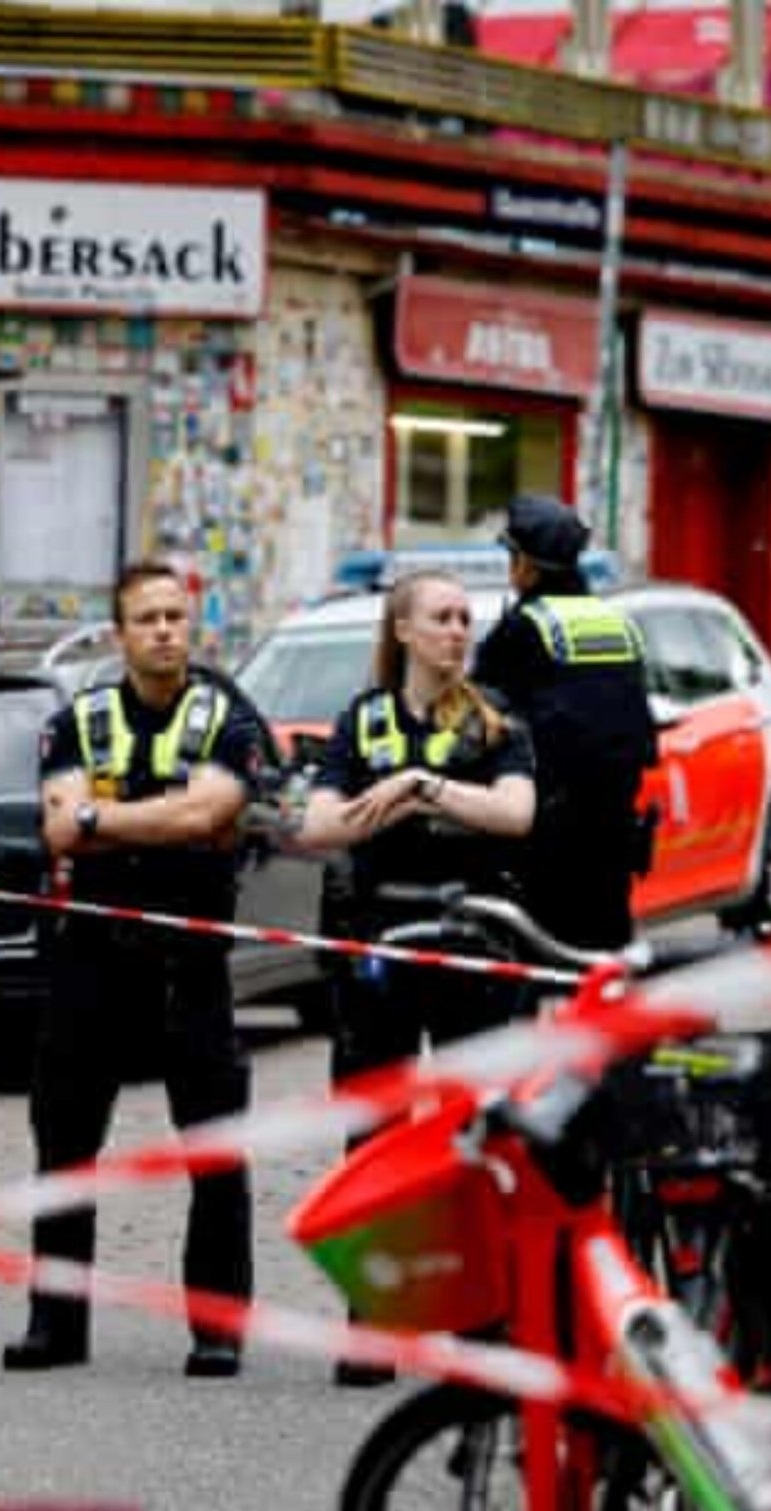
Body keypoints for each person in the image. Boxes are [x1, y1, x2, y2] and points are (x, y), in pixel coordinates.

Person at [2, 562, 260, 1379]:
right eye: (147, 619)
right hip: (92, 959)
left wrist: (102, 817)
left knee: (214, 1151)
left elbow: (211, 811)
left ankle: (216, 1330)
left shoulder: (227, 719)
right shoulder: (77, 722)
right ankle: (55, 1325)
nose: (164, 631)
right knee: (64, 1147)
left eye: (175, 617)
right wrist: (161, 820)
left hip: (192, 962)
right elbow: (61, 831)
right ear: (120, 635)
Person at [298, 568, 535, 1383]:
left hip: (472, 949)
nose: (458, 630)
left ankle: (483, 1327)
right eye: (442, 617)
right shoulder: (362, 722)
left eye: (466, 618)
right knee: (377, 1139)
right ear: (402, 631)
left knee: (477, 1135)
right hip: (381, 949)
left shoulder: (495, 721)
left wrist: (421, 786)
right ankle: (375, 1326)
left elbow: (516, 812)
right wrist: (401, 797)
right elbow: (319, 824)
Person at [472, 494, 656, 953]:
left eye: (512, 558)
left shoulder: (525, 627)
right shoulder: (618, 624)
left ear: (527, 566)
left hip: (548, 832)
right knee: (605, 951)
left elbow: (478, 712)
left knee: (542, 955)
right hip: (614, 827)